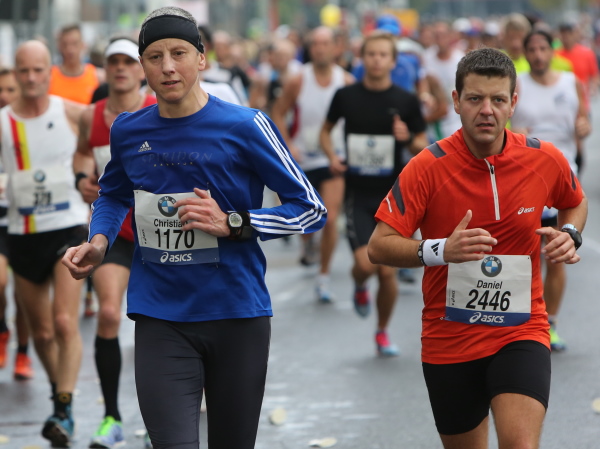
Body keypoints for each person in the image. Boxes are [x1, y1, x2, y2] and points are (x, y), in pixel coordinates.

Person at [62, 7, 326, 449]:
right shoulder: (128, 130)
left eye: (179, 53)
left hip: (236, 313)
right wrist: (100, 240)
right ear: (143, 66)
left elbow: (310, 209)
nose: (167, 67)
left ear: (201, 58)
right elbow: (112, 194)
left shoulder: (246, 126)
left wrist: (235, 222)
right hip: (160, 315)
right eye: (155, 56)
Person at [368, 47, 587, 448]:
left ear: (513, 103)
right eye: (474, 99)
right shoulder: (426, 167)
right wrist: (440, 250)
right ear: (456, 101)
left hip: (521, 330)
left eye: (498, 100)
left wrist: (569, 232)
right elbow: (378, 246)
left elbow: (575, 199)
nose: (487, 111)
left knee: (520, 444)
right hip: (449, 338)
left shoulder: (543, 158)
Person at [0, 40, 88, 447]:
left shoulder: (70, 112)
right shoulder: (4, 122)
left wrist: (92, 178)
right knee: (42, 332)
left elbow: (101, 140)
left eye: (38, 70)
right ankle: (59, 398)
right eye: (24, 71)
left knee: (65, 322)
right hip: (22, 234)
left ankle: (64, 407)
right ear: (15, 73)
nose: (32, 78)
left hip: (67, 229)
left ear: (48, 70)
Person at [320, 32, 428, 356]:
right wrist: (332, 156)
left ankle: (382, 331)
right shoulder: (346, 96)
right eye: (371, 54)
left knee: (387, 270)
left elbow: (422, 145)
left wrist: (407, 137)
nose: (377, 60)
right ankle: (358, 283)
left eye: (383, 55)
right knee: (366, 266)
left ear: (393, 62)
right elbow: (325, 131)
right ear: (362, 59)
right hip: (357, 192)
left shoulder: (405, 100)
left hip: (392, 196)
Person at [73, 36, 157, 448]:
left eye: (128, 61)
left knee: (158, 324)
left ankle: (161, 418)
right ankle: (111, 418)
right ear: (105, 69)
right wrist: (82, 180)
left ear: (140, 68)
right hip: (114, 232)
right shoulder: (92, 115)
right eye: (113, 62)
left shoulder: (159, 108)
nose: (121, 68)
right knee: (108, 313)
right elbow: (81, 155)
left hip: (158, 230)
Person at [511, 30, 591, 352]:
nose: (538, 55)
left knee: (556, 254)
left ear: (552, 51)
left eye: (543, 48)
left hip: (563, 174)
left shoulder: (571, 82)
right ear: (525, 53)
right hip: (526, 177)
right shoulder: (517, 84)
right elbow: (502, 122)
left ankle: (551, 324)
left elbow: (583, 121)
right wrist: (513, 130)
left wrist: (584, 127)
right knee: (524, 253)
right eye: (532, 49)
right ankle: (520, 320)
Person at [272, 26, 354, 302]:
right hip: (303, 159)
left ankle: (323, 276)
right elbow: (278, 112)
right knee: (305, 217)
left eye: (325, 43)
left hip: (333, 158)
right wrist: (288, 145)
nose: (320, 49)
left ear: (335, 48)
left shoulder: (346, 81)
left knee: (329, 216)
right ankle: (307, 243)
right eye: (315, 44)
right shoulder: (299, 79)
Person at [0, 67, 34, 380]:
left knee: (24, 297)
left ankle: (23, 352)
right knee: (0, 283)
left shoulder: (27, 125)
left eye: (10, 90)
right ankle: (2, 329)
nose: (4, 96)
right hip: (1, 221)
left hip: (27, 219)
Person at [49, 24, 105, 104]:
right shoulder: (49, 76)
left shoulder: (97, 77)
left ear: (83, 45)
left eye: (74, 43)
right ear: (59, 46)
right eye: (65, 44)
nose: (70, 49)